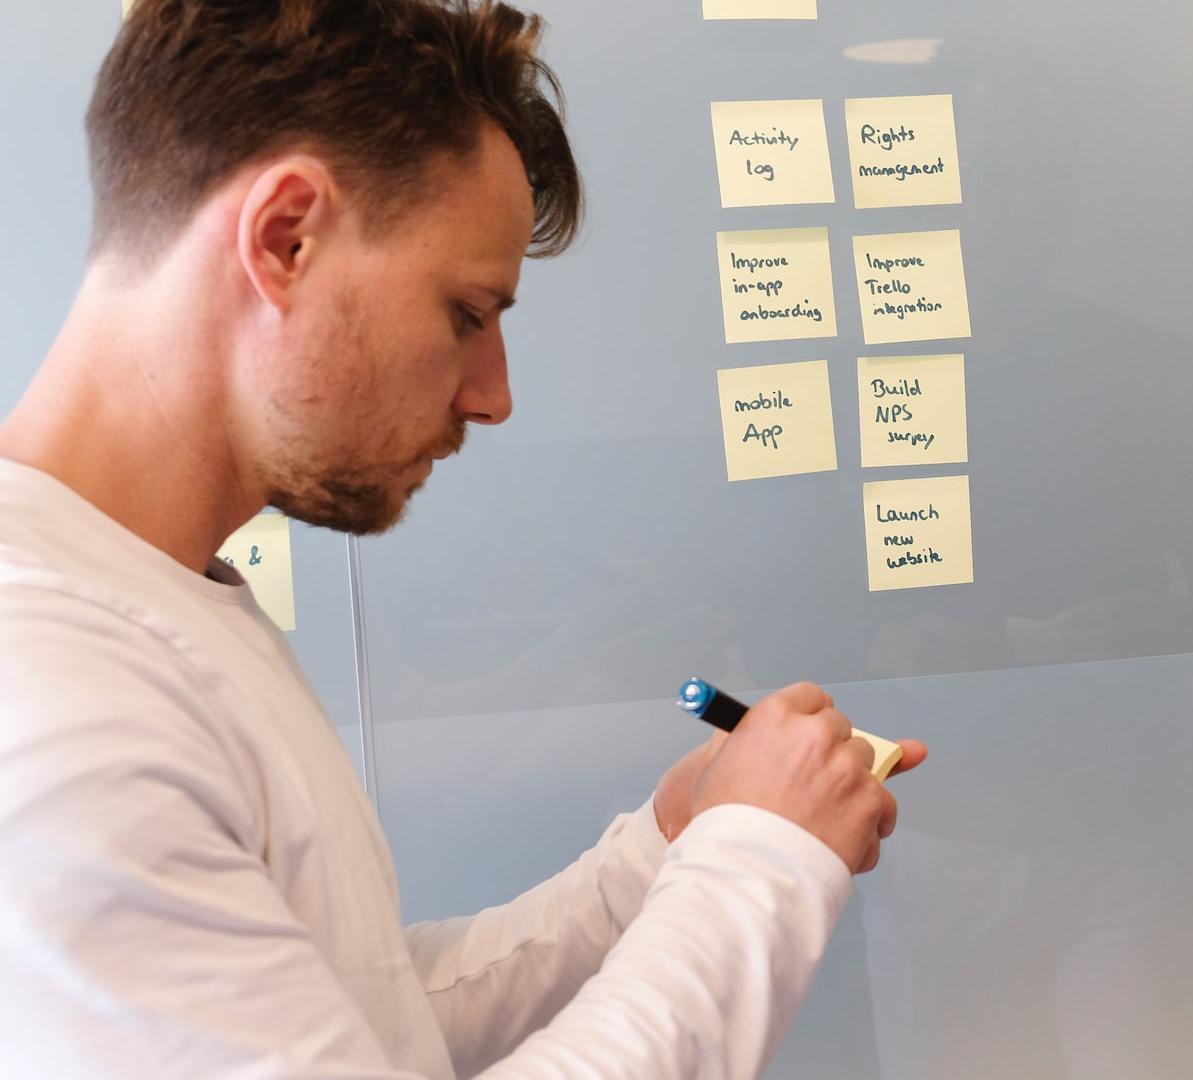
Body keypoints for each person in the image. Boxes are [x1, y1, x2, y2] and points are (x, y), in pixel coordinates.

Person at [0, 1, 925, 1076]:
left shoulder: (151, 601)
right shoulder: (57, 695)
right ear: (283, 236)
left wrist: (666, 851)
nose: (493, 397)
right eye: (465, 315)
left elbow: (363, 1023)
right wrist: (761, 859)